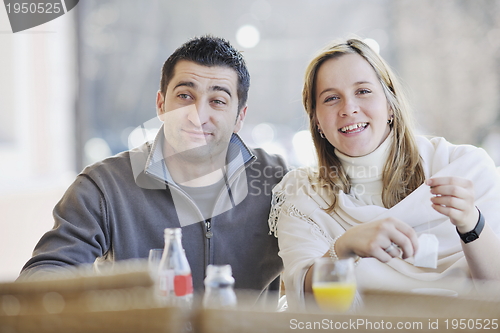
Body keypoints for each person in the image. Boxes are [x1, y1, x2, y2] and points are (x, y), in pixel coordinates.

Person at [20, 36, 286, 299]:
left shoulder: (278, 181)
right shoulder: (104, 186)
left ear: (240, 116)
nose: (197, 116)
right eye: (184, 95)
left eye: (217, 101)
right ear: (161, 104)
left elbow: (320, 263)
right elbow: (43, 280)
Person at [268, 38, 500, 309]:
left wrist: (471, 223)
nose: (349, 109)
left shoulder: (462, 166)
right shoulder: (302, 194)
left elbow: (495, 292)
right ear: (317, 121)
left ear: (390, 105)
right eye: (331, 98)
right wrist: (342, 249)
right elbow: (305, 302)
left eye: (363, 91)